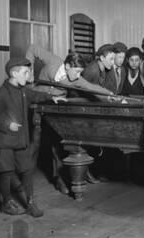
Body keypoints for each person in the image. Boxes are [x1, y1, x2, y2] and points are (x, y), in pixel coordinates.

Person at [24, 44, 114, 194]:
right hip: (37, 104)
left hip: (55, 108)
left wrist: (110, 95)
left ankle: (58, 179)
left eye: (80, 72)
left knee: (55, 143)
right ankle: (26, 182)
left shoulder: (75, 80)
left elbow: (92, 88)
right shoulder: (54, 61)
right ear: (66, 66)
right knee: (34, 143)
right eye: (77, 71)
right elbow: (32, 49)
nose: (78, 76)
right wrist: (29, 71)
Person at [0, 58, 64, 217]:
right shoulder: (0, 94)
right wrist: (7, 125)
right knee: (6, 173)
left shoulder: (23, 91)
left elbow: (36, 95)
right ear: (14, 73)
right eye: (25, 72)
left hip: (21, 141)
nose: (29, 75)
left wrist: (51, 98)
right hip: (5, 142)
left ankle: (30, 202)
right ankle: (6, 202)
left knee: (28, 170)